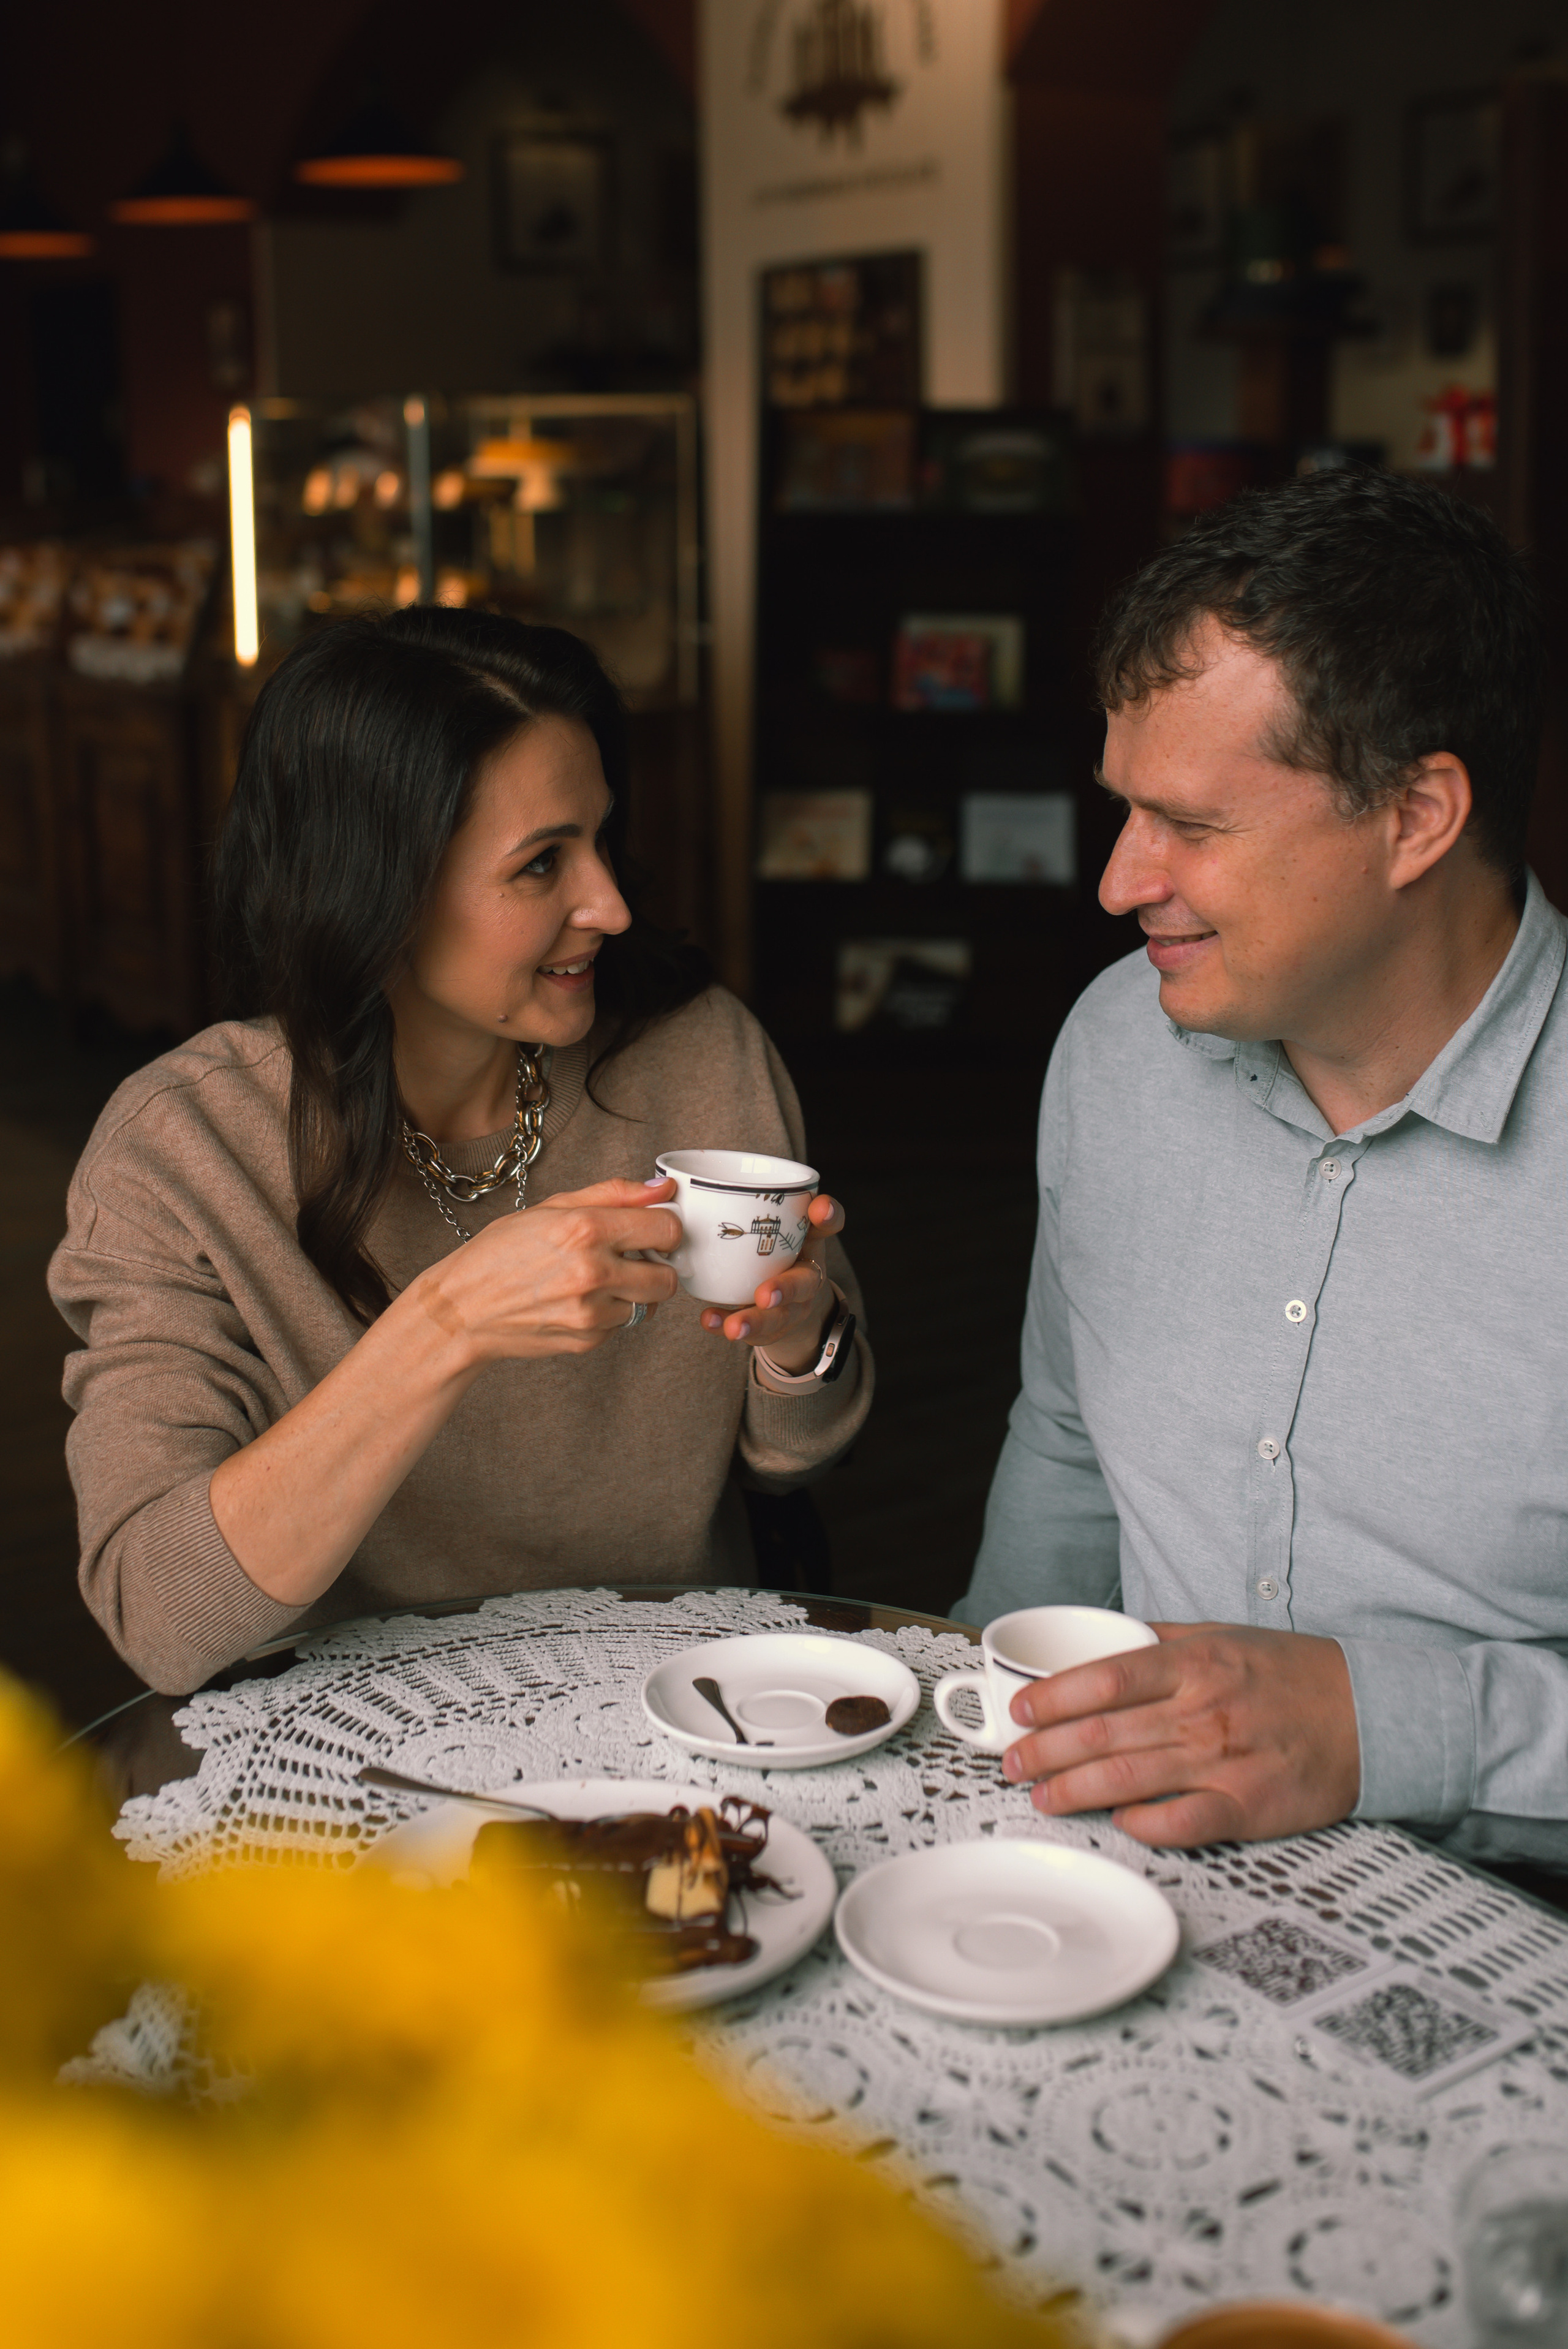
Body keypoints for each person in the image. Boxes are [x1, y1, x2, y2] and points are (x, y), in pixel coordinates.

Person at [50, 607, 871, 1696]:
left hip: (675, 1710)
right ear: (372, 892)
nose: (612, 904)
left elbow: (795, 1454)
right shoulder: (182, 1153)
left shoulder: (700, 1057)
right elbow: (159, 1615)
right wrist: (443, 1328)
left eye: (600, 839)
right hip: (350, 1759)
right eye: (541, 865)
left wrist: (800, 1342)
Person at [957, 467, 1568, 1868]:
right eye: (1122, 808)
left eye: (1192, 824)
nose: (1117, 881)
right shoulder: (1117, 1043)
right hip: (1094, 1884)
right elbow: (1065, 1446)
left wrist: (1380, 1725)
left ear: (1415, 817)